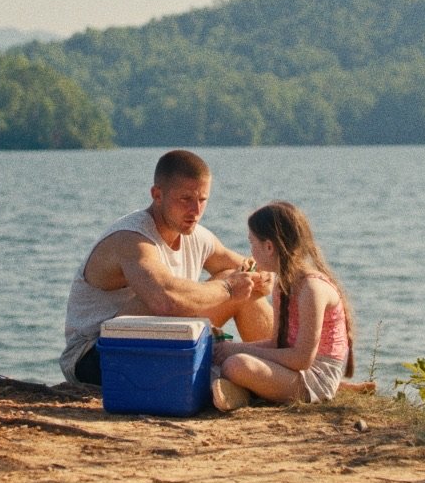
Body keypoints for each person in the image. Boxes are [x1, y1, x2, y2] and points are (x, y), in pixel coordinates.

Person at [61, 149, 272, 385]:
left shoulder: (198, 236)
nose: (195, 211)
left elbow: (247, 268)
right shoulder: (131, 239)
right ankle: (223, 377)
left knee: (241, 278)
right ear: (157, 194)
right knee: (156, 298)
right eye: (185, 199)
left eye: (202, 200)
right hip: (95, 355)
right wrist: (229, 289)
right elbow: (164, 301)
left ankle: (277, 369)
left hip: (157, 343)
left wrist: (262, 279)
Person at [210, 200, 355, 410]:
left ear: (269, 247)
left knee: (235, 364)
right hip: (296, 372)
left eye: (252, 244)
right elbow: (277, 344)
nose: (250, 252)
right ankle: (238, 390)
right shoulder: (282, 285)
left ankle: (241, 394)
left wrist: (235, 350)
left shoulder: (312, 289)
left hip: (314, 379)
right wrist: (228, 348)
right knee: (219, 359)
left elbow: (301, 359)